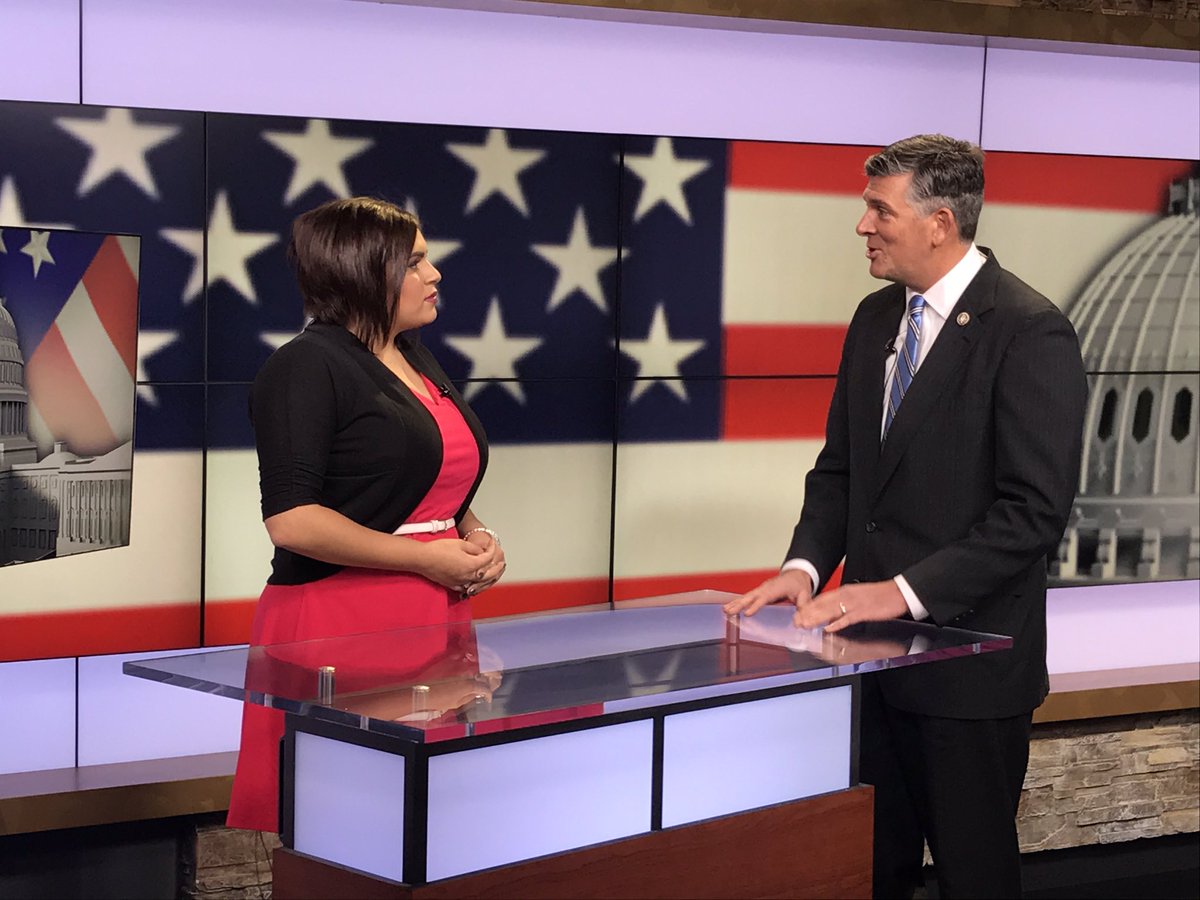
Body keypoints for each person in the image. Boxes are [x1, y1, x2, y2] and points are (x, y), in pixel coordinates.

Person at [724, 135, 1087, 898]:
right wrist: (804, 567)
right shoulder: (873, 319)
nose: (862, 225)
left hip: (970, 680)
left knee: (974, 879)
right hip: (867, 670)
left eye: (879, 210)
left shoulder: (1029, 331)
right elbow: (842, 471)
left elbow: (1032, 515)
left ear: (939, 223)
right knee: (866, 874)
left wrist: (897, 594)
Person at [226, 196, 506, 833]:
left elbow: (428, 478)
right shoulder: (303, 366)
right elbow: (293, 520)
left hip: (435, 607)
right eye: (414, 262)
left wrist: (476, 535)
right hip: (341, 618)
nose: (434, 274)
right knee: (350, 817)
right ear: (360, 271)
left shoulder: (414, 355)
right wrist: (426, 559)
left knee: (427, 818)